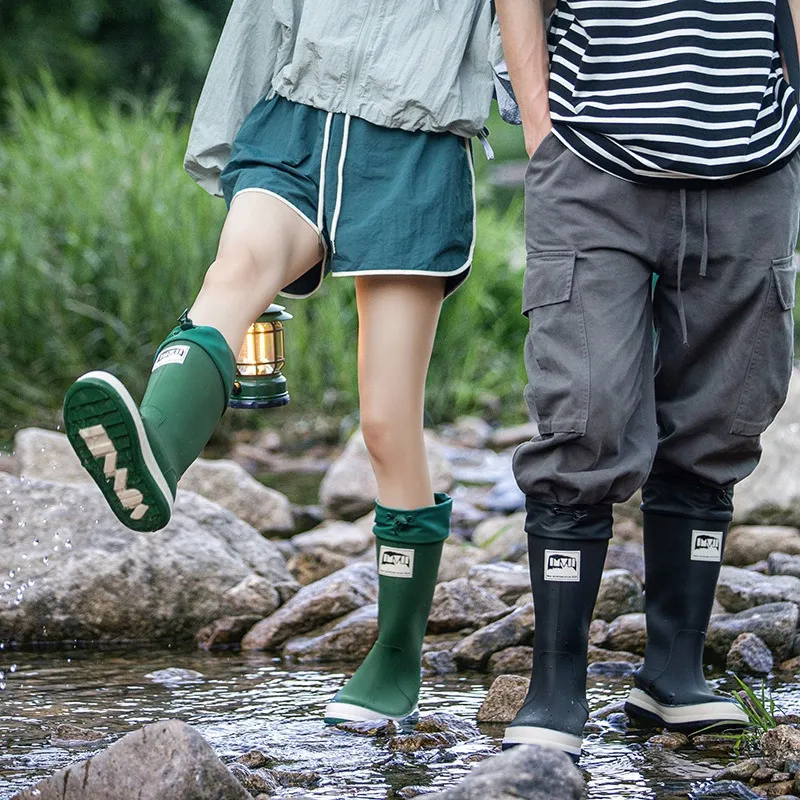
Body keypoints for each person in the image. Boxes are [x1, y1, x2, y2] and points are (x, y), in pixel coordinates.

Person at [62, 0, 494, 726]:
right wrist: (223, 145)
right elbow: (260, 18)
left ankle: (394, 654)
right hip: (294, 124)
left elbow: (530, 38)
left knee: (388, 426)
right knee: (234, 272)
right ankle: (160, 448)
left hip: (413, 158)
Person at [495, 0, 800, 758]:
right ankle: (556, 683)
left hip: (755, 161)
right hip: (591, 160)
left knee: (726, 414)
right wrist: (540, 123)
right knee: (586, 408)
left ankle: (672, 672)